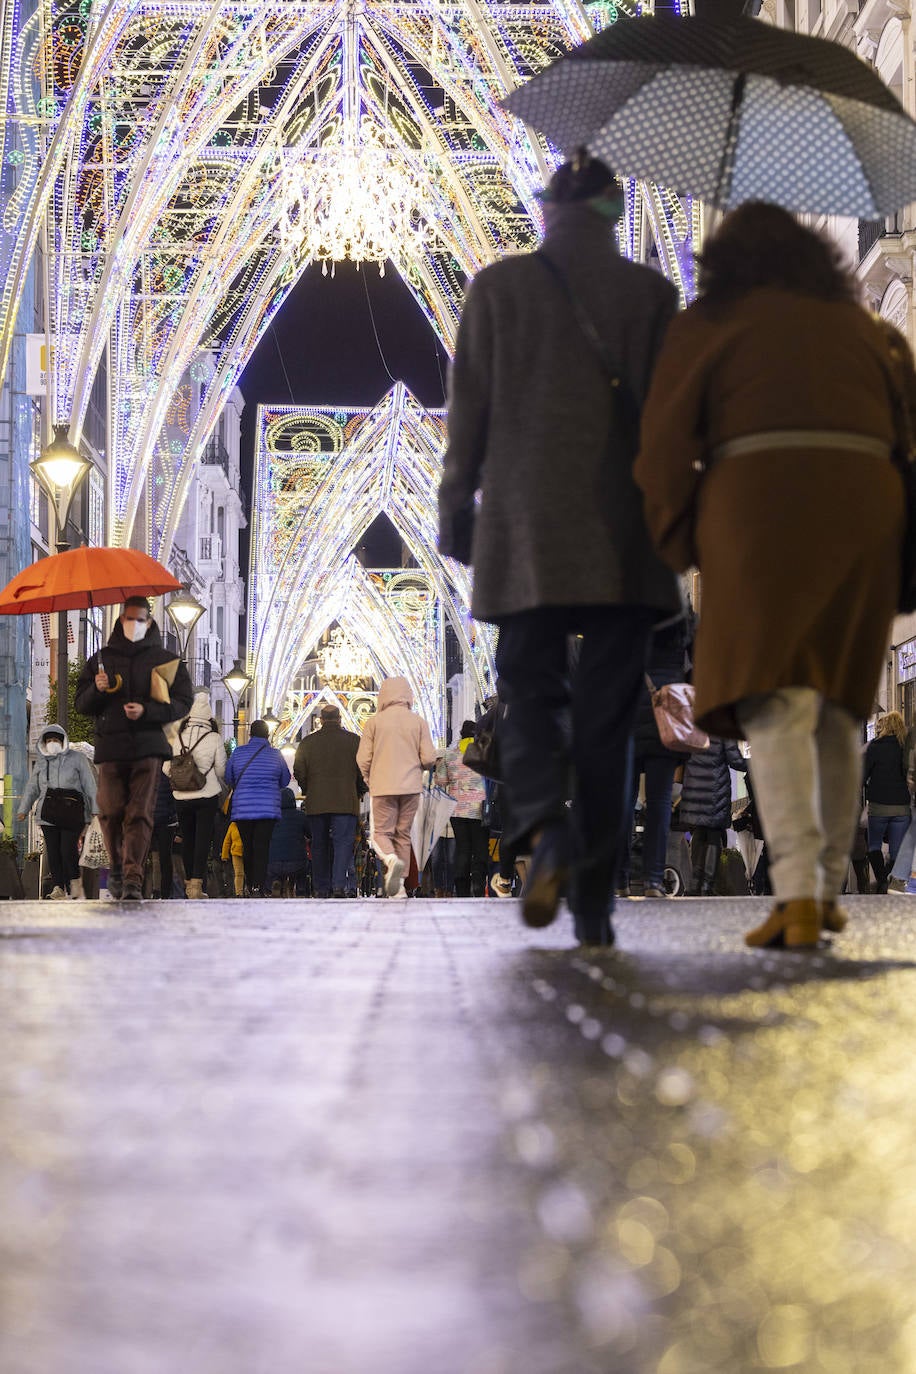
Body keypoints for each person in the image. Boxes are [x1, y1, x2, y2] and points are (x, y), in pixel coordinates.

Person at [634, 202, 909, 948]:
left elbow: (661, 449)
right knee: (838, 706)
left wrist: (681, 539)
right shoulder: (871, 334)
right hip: (861, 519)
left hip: (756, 520)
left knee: (777, 704)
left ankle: (797, 895)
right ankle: (822, 886)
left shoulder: (709, 329)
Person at [438, 150, 680, 945]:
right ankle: (597, 906)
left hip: (526, 532)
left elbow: (466, 418)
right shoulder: (653, 295)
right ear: (617, 213)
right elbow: (674, 426)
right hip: (625, 536)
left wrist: (455, 512)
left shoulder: (498, 290)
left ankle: (544, 832)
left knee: (527, 692)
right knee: (610, 719)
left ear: (547, 211)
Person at [74, 596, 193, 902]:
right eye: (130, 619)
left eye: (140, 620)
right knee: (111, 811)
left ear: (149, 622)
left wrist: (147, 711)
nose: (134, 625)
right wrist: (96, 690)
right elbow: (81, 704)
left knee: (139, 813)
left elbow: (182, 700)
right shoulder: (101, 659)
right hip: (111, 746)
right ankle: (116, 866)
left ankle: (132, 878)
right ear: (120, 620)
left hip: (147, 748)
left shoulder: (164, 660)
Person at [619, 612, 693, 899]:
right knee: (660, 801)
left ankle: (621, 880)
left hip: (628, 714)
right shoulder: (679, 616)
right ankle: (653, 881)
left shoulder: (627, 613)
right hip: (668, 712)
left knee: (624, 804)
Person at [357, 676, 438, 899]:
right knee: (403, 834)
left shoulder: (374, 722)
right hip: (411, 786)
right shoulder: (418, 721)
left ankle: (391, 861)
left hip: (382, 785)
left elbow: (363, 758)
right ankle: (400, 888)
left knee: (380, 834)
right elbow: (430, 757)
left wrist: (368, 777)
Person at [18, 724, 97, 900]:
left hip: (73, 813)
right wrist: (23, 808)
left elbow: (89, 784)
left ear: (62, 741)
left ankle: (75, 883)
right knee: (53, 851)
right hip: (49, 813)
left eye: (56, 739)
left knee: (67, 849)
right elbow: (32, 787)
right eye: (49, 740)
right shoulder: (41, 762)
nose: (52, 742)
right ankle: (58, 887)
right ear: (44, 743)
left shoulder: (77, 759)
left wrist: (95, 809)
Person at [294, 703, 364, 898]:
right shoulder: (354, 741)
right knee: (343, 844)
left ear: (321, 720)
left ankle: (320, 887)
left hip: (317, 801)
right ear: (340, 719)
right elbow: (363, 770)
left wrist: (309, 789)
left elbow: (299, 770)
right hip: (345, 800)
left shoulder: (307, 743)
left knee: (319, 844)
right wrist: (358, 790)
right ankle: (339, 886)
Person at [164, 690, 226, 899]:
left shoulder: (177, 738)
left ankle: (189, 881)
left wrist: (182, 775)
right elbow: (221, 771)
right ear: (209, 717)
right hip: (207, 795)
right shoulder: (214, 737)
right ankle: (196, 887)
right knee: (202, 842)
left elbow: (166, 768)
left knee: (187, 841)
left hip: (181, 796)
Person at [223, 719, 290, 896]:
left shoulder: (238, 753)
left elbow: (228, 778)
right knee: (262, 847)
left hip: (243, 808)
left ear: (250, 734)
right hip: (267, 809)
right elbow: (285, 780)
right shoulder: (275, 754)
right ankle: (257, 886)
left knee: (247, 846)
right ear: (267, 735)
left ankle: (249, 883)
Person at [678, 737, 748, 896]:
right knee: (714, 835)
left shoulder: (691, 723)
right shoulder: (719, 725)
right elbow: (735, 760)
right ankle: (707, 885)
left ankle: (694, 884)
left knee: (699, 833)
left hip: (693, 788)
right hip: (714, 791)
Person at [436, 720, 489, 896]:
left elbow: (441, 781)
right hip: (479, 808)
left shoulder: (450, 755)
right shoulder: (483, 752)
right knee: (480, 848)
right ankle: (478, 882)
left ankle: (462, 889)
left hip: (457, 810)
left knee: (462, 848)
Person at [862, 712, 911, 894]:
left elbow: (863, 775)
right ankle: (891, 882)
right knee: (897, 850)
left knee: (874, 846)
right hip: (901, 807)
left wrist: (868, 784)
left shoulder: (874, 746)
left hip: (879, 806)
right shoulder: (905, 748)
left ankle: (882, 880)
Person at [266, 787, 310, 896]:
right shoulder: (301, 816)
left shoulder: (271, 818)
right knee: (304, 867)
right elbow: (310, 834)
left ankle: (276, 882)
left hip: (274, 864)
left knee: (275, 868)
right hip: (297, 863)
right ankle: (301, 890)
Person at [149, 768, 178, 899]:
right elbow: (173, 801)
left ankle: (149, 891)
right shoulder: (167, 778)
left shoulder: (143, 777)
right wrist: (171, 815)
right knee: (165, 859)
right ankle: (166, 893)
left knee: (143, 858)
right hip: (166, 823)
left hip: (148, 823)